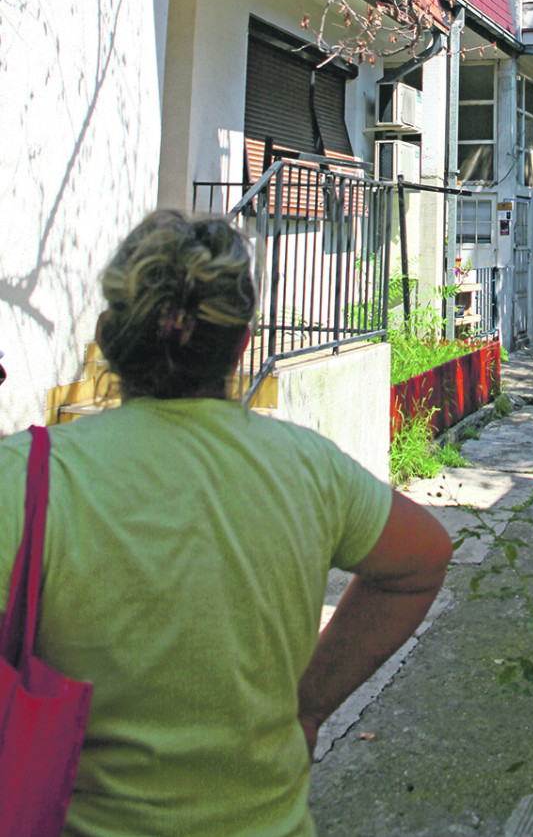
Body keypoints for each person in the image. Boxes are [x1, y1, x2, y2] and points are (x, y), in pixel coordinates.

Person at [0, 210, 452, 837]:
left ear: (107, 334)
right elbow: (425, 555)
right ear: (243, 344)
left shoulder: (26, 481)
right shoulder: (308, 468)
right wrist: (310, 707)